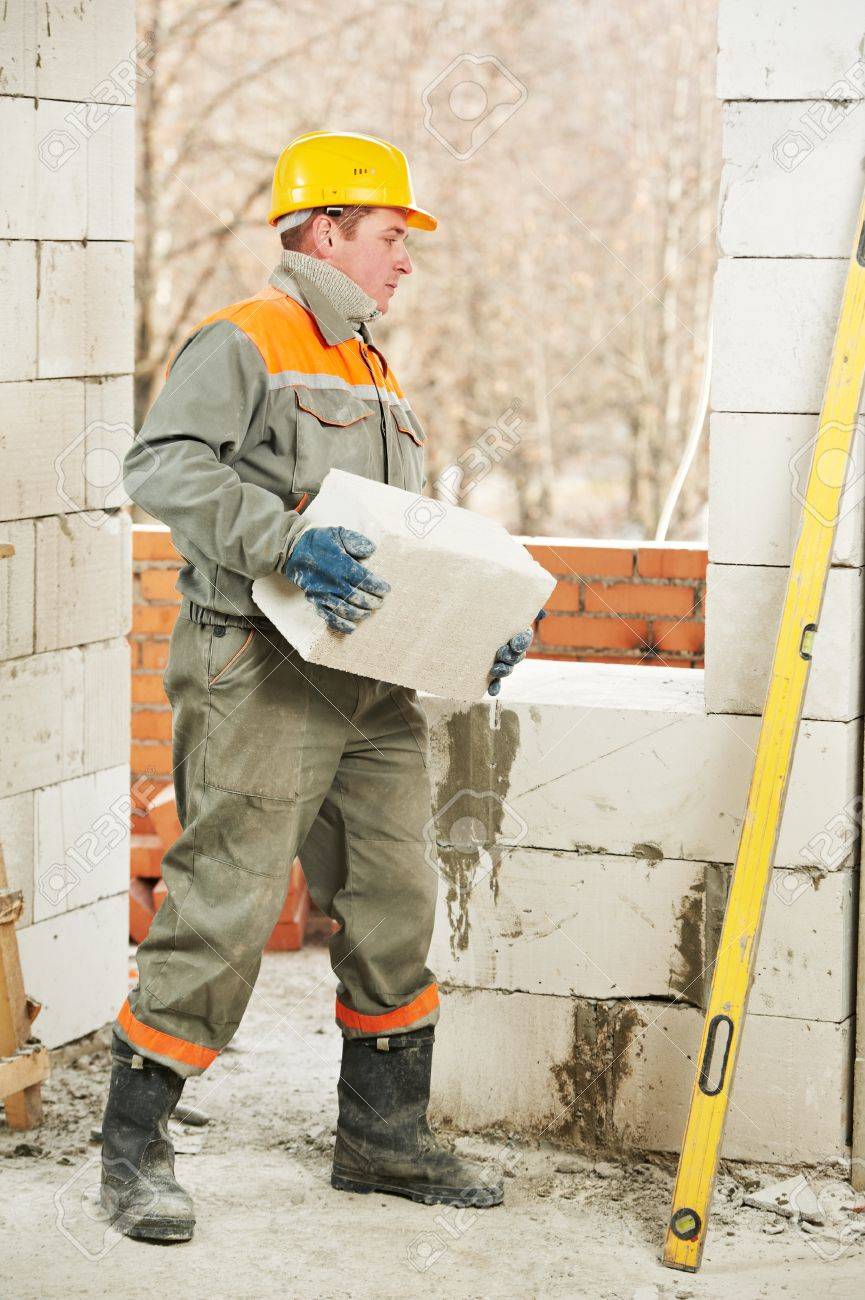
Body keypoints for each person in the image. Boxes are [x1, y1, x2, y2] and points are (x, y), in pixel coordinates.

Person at [100, 131, 537, 1242]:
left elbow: (402, 546)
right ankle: (134, 1152)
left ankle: (382, 1138)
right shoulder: (247, 337)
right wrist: (287, 540)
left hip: (369, 686)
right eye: (393, 236)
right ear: (325, 228)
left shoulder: (371, 372)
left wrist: (473, 626)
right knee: (226, 898)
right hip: (259, 671)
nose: (405, 260)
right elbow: (161, 464)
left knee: (396, 891)